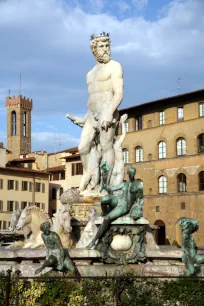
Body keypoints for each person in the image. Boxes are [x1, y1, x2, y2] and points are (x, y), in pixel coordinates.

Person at [67, 33, 124, 191]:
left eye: (107, 46)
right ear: (94, 50)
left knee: (106, 146)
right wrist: (84, 118)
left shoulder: (115, 66)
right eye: (101, 46)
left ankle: (105, 186)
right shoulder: (89, 74)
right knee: (82, 147)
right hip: (91, 115)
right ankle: (90, 176)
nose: (106, 49)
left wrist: (109, 113)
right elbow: (92, 98)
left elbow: (119, 93)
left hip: (108, 110)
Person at [87, 166, 144, 249]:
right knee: (104, 199)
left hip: (124, 206)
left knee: (107, 219)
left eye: (133, 173)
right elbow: (112, 189)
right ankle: (105, 212)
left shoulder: (138, 185)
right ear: (128, 173)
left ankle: (93, 241)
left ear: (134, 174)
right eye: (130, 173)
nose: (131, 175)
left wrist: (139, 205)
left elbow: (141, 199)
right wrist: (104, 186)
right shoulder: (125, 183)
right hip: (119, 200)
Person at [110, 113, 128, 186]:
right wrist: (122, 123)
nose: (117, 136)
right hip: (119, 164)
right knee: (116, 188)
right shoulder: (117, 144)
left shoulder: (112, 145)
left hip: (115, 165)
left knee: (111, 187)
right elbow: (124, 134)